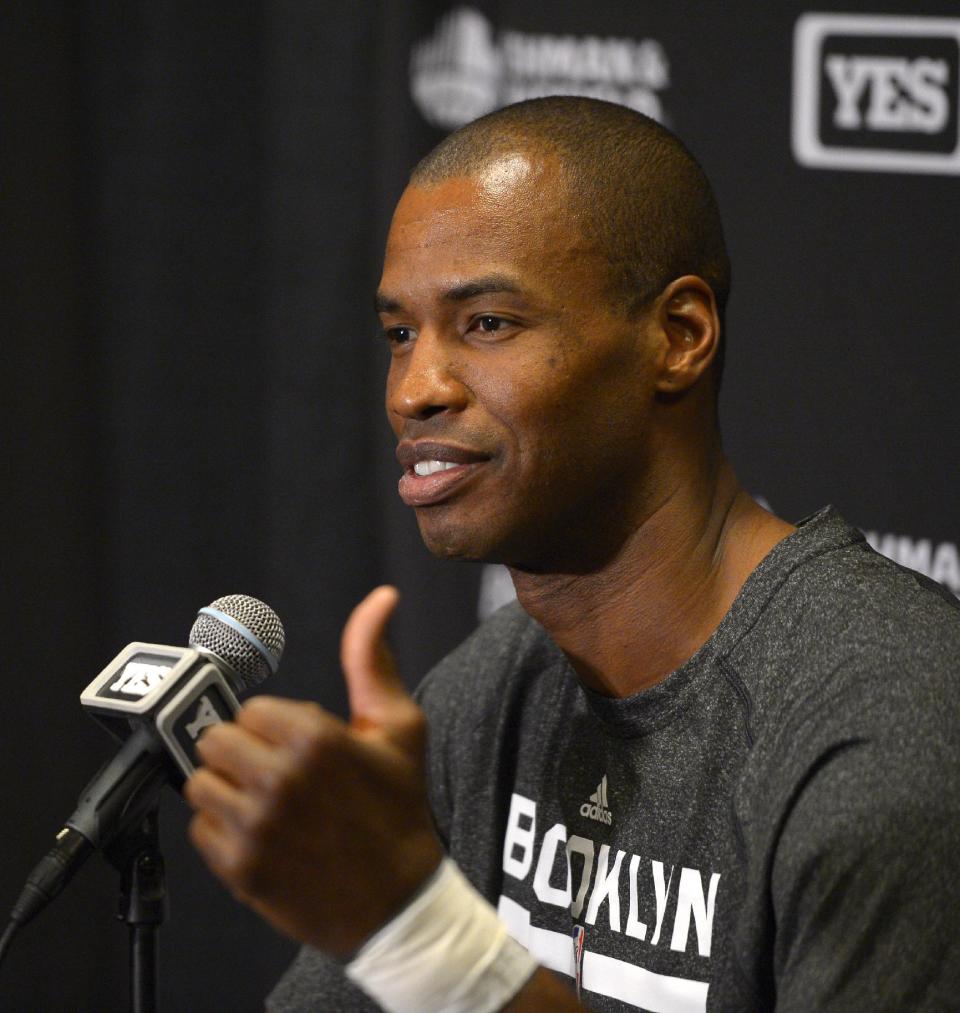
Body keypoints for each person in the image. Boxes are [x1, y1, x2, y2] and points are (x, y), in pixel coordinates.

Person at [184, 97, 960, 1011]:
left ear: (679, 337)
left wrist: (420, 935)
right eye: (401, 334)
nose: (415, 390)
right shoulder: (488, 694)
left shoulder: (887, 721)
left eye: (489, 324)